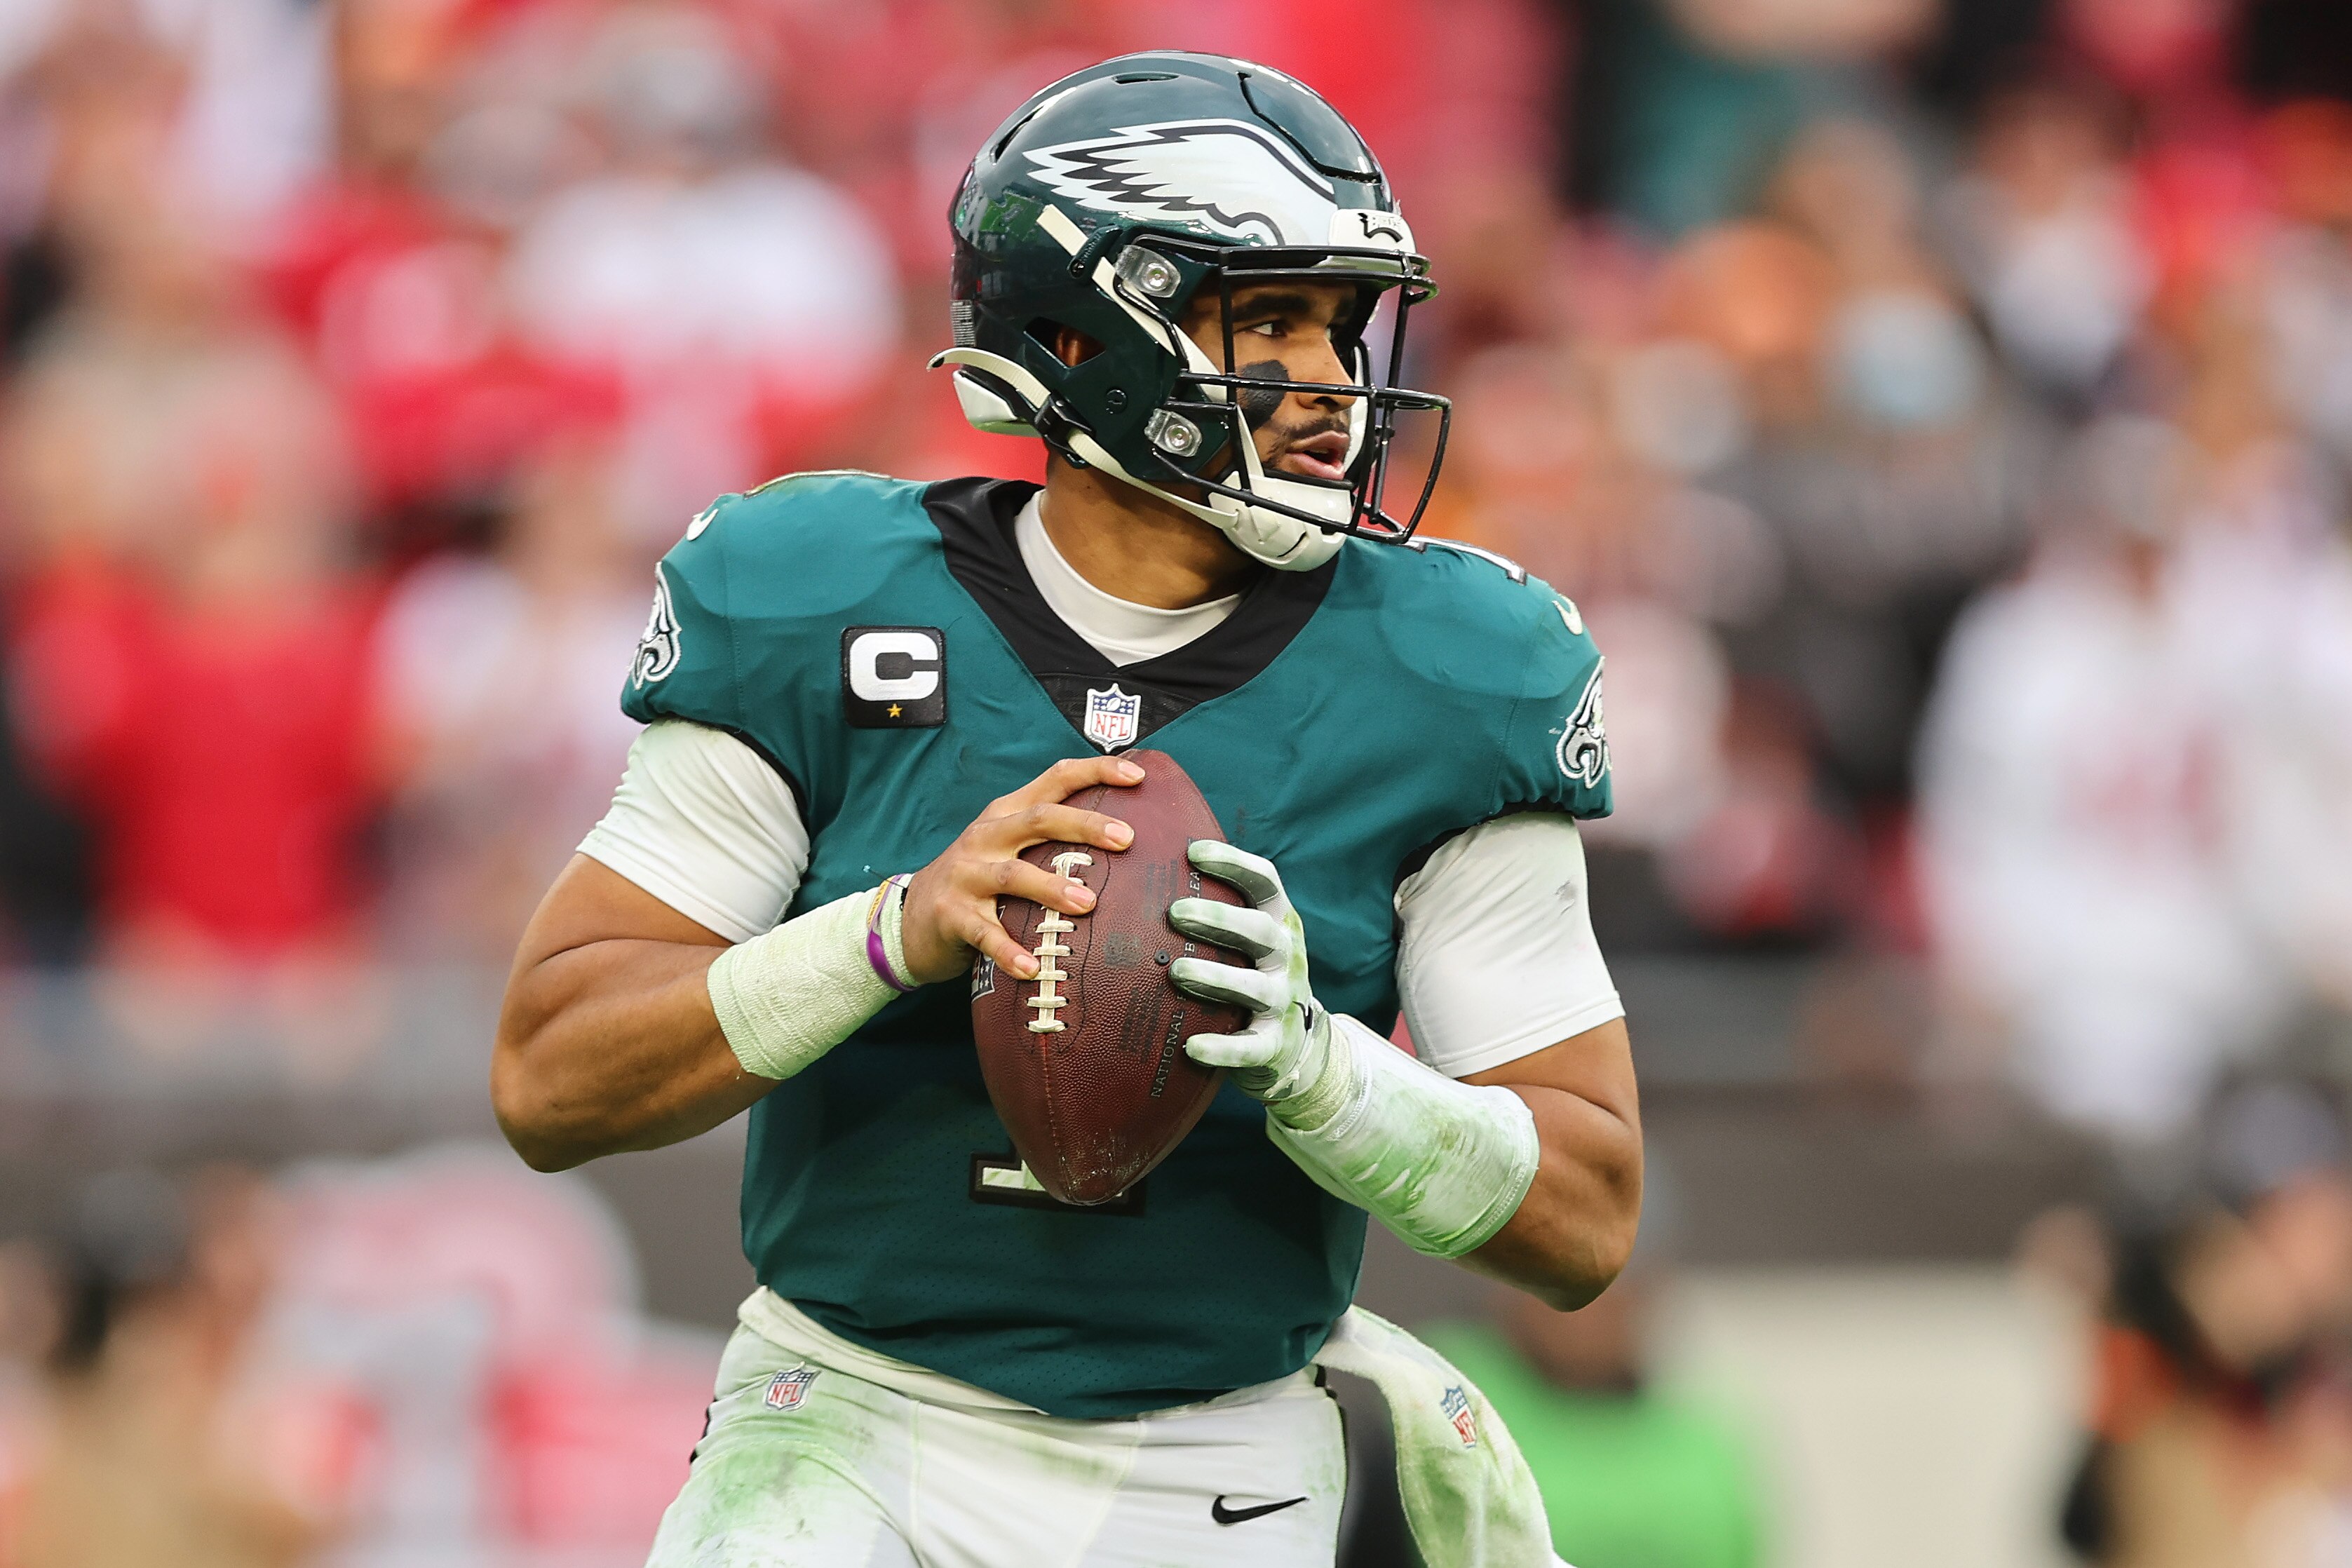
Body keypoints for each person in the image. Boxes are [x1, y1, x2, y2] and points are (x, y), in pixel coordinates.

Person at [491, 52, 1640, 1568]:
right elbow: (552, 1075)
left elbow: (1583, 1214)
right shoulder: (820, 598)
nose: (1334, 385)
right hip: (852, 1413)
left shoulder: (1449, 671)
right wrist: (890, 934)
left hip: (1232, 1444)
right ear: (1085, 330)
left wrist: (1320, 1068)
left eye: (1340, 324)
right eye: (1271, 319)